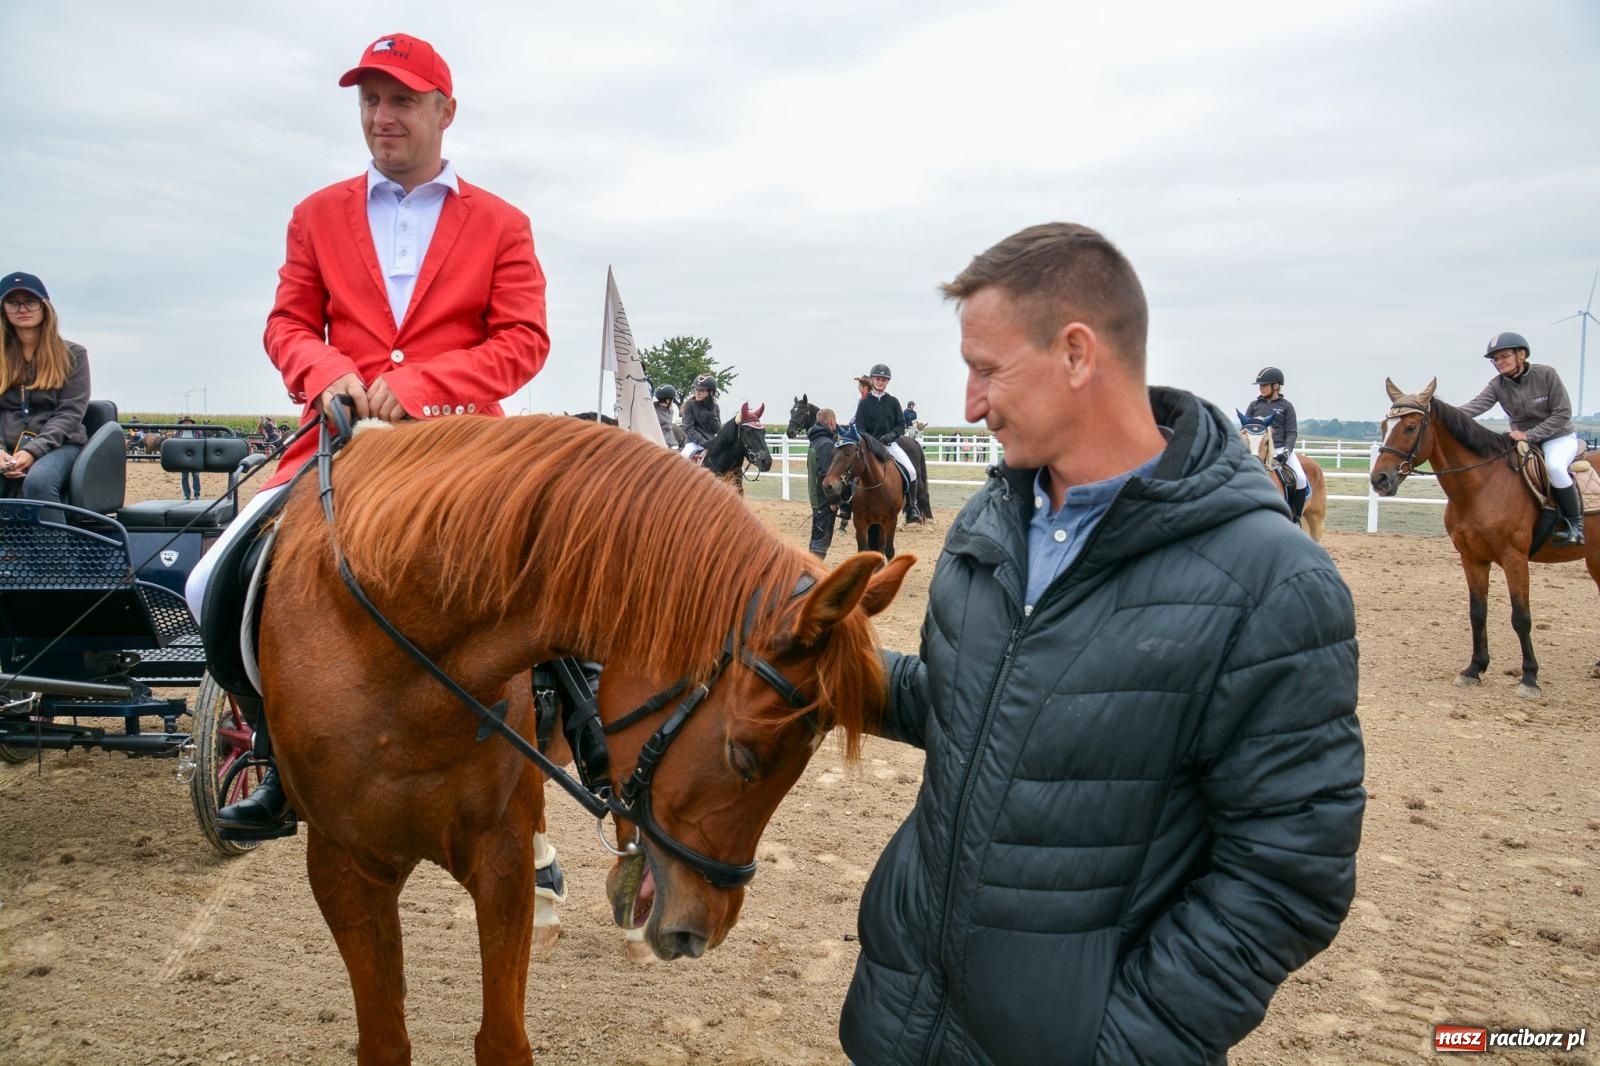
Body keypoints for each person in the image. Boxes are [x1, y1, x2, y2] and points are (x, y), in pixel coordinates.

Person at [839, 223, 1363, 1065]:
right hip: (902, 1024)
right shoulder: (988, 525)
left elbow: (1288, 872)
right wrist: (820, 657)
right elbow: (960, 704)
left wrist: (1124, 1045)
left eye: (986, 369)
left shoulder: (1272, 583)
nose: (970, 404)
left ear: (1077, 354)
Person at [186, 32, 551, 839]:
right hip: (337, 444)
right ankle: (281, 763)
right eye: (370, 101)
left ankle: (565, 757)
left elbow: (524, 340)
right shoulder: (316, 214)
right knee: (208, 582)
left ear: (444, 111)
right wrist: (324, 373)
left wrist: (421, 384)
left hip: (457, 448)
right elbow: (287, 322)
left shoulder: (502, 222)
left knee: (560, 585)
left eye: (402, 101)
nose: (382, 118)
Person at [1460, 331, 1585, 546]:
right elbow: (1475, 406)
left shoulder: (1547, 374)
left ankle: (1576, 525)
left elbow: (1562, 413)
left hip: (1558, 437)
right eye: (1495, 359)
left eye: (1504, 356)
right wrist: (1438, 412)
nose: (1499, 362)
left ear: (1522, 355)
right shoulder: (1497, 385)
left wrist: (1529, 435)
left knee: (1554, 467)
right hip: (1523, 441)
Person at [1, 271, 90, 523]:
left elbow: (70, 413)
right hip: (5, 448)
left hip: (60, 444)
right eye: (13, 302)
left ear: (44, 306)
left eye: (30, 301)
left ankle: (55, 561)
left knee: (39, 481)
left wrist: (33, 451)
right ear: (3, 309)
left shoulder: (73, 354)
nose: (22, 308)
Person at [852, 363, 922, 523]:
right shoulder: (864, 404)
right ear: (872, 380)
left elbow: (901, 425)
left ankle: (912, 507)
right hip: (868, 447)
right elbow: (860, 427)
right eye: (878, 379)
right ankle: (847, 506)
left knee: (911, 471)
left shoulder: (893, 402)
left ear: (887, 382)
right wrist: (870, 440)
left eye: (884, 379)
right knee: (852, 470)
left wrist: (891, 435)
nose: (880, 382)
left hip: (890, 445)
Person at [1242, 366, 1309, 525]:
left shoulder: (1286, 406)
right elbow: (1245, 430)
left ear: (1276, 386)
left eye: (1264, 385)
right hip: (1258, 451)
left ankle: (1296, 518)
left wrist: (1286, 452)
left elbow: (1292, 432)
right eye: (1260, 385)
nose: (1261, 388)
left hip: (1280, 449)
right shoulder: (1254, 405)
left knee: (1300, 479)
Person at [805, 407, 841, 559]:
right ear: (832, 422)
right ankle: (812, 574)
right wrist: (833, 500)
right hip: (823, 499)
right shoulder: (826, 444)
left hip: (816, 496)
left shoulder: (815, 441)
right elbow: (826, 476)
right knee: (821, 540)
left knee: (817, 536)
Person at [679, 374, 721, 459]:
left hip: (712, 442)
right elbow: (689, 429)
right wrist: (704, 442)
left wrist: (712, 411)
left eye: (702, 390)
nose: (698, 392)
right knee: (681, 461)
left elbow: (716, 429)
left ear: (710, 392)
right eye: (696, 389)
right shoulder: (689, 405)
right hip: (693, 444)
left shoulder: (715, 407)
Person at [175, 416, 202, 500]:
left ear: (192, 423)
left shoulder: (197, 432)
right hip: (183, 457)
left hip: (194, 456)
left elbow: (201, 442)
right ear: (182, 424)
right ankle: (187, 495)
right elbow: (175, 443)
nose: (186, 424)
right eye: (185, 422)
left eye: (188, 422)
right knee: (184, 477)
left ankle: (197, 494)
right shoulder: (178, 432)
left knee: (196, 476)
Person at [653, 383, 681, 449]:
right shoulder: (655, 411)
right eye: (672, 399)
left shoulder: (669, 410)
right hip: (663, 443)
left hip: (669, 440)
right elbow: (667, 431)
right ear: (668, 401)